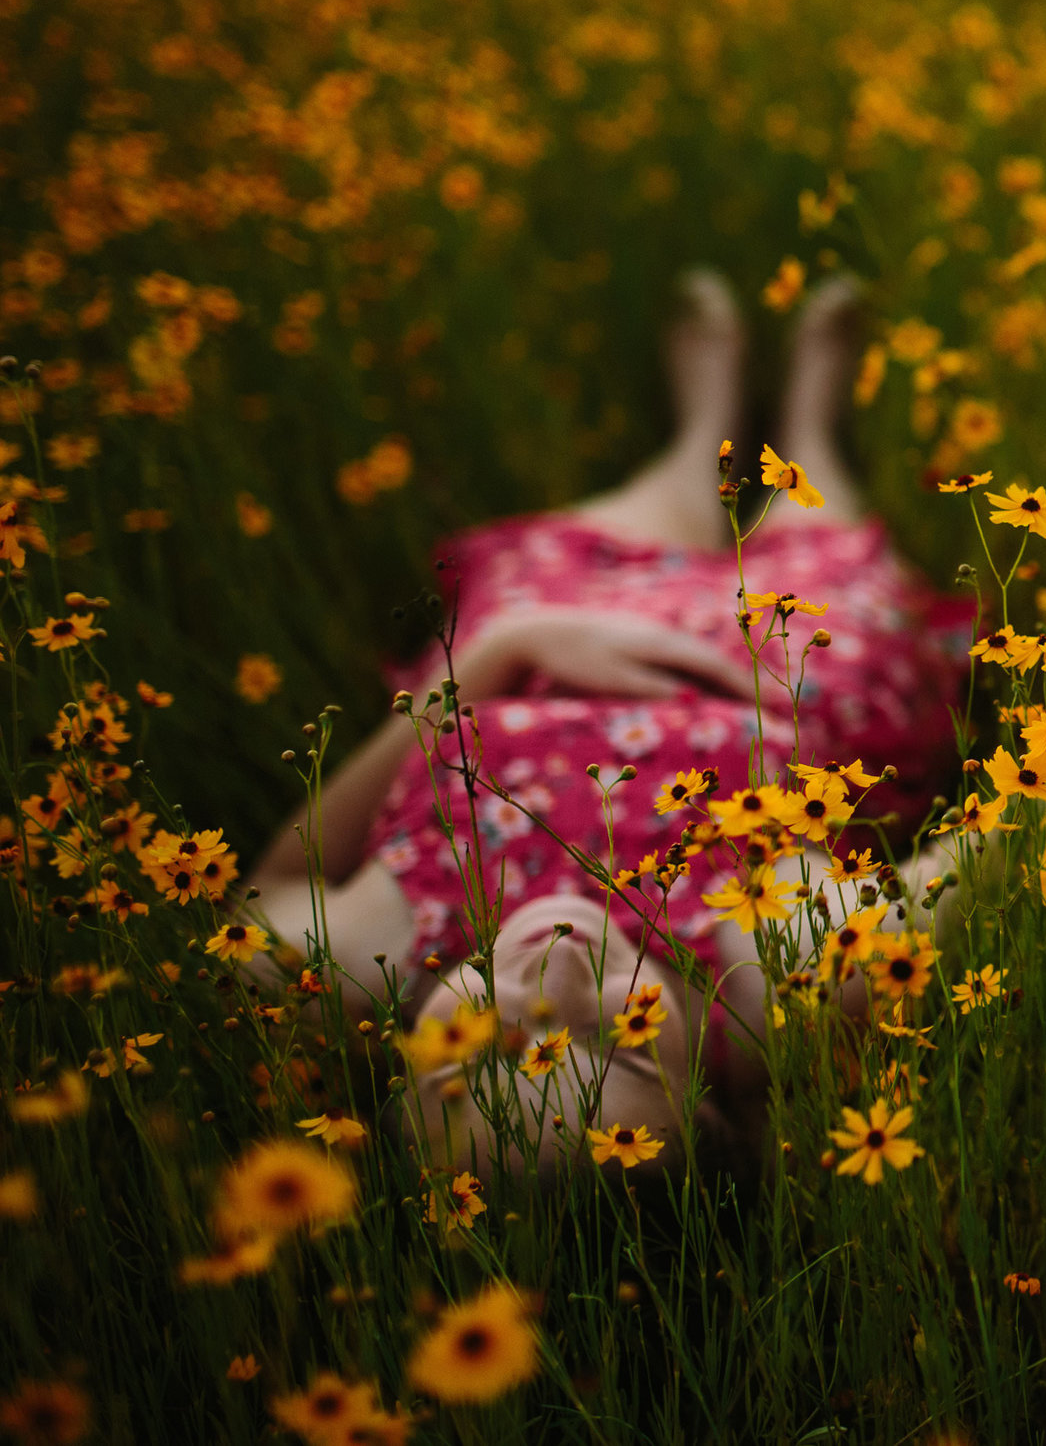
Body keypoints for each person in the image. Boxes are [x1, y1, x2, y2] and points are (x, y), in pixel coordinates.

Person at [249, 270, 970, 1168]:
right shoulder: (791, 973)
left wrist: (495, 657)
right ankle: (813, 429)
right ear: (713, 1100)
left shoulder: (361, 959)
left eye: (483, 1044)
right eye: (617, 1041)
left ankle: (700, 437)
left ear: (402, 1060)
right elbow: (1011, 843)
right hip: (786, 673)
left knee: (583, 550)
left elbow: (269, 884)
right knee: (838, 588)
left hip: (549, 648)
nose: (551, 974)